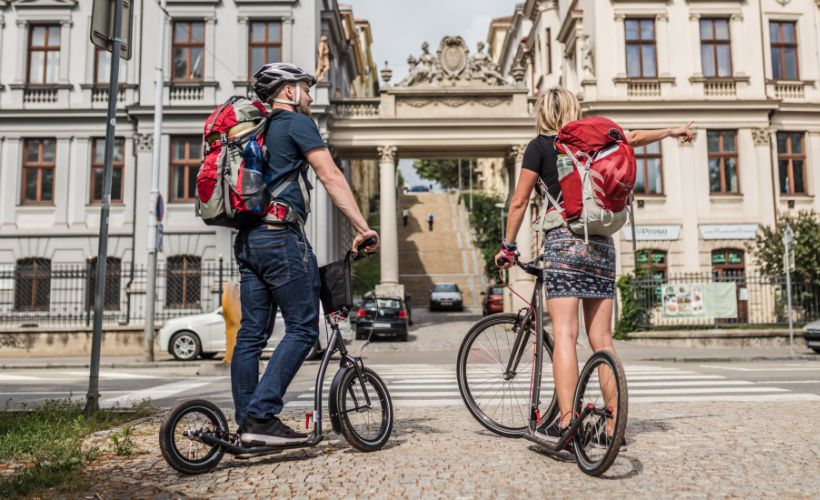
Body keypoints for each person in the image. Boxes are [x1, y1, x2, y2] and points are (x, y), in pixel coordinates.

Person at [495, 86, 693, 446]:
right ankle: (613, 425)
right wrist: (672, 130)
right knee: (602, 338)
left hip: (564, 244)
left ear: (540, 112)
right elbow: (631, 137)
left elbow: (519, 201)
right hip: (602, 244)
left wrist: (508, 246)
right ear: (575, 109)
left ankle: (568, 424)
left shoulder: (541, 146)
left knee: (566, 334)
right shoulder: (596, 139)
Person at [233, 62, 379, 446]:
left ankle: (247, 425)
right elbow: (331, 176)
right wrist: (363, 227)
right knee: (302, 328)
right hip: (280, 238)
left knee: (250, 336)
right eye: (305, 87)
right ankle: (261, 417)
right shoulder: (297, 124)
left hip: (249, 241)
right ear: (287, 92)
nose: (311, 95)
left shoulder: (257, 131)